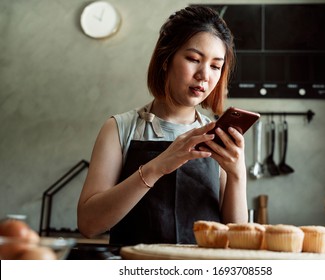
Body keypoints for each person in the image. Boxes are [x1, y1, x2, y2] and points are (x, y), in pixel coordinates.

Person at [77, 6, 248, 246]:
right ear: (165, 60)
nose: (203, 75)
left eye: (215, 66)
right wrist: (157, 167)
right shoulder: (118, 128)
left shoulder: (217, 136)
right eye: (193, 59)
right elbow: (88, 224)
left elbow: (237, 239)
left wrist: (237, 174)